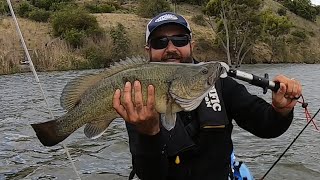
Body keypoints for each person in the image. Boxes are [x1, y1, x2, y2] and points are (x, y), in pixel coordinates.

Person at [112, 12, 302, 180]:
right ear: (148, 50)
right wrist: (149, 134)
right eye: (159, 42)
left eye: (180, 40)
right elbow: (150, 175)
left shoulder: (216, 80)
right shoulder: (137, 94)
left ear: (191, 44)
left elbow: (266, 125)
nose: (171, 49)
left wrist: (281, 110)